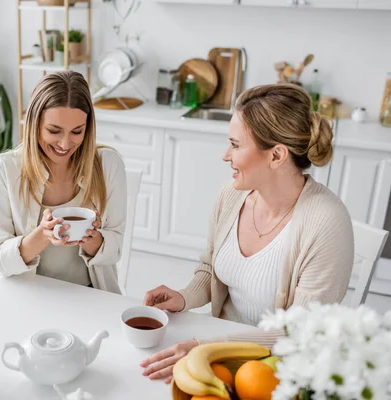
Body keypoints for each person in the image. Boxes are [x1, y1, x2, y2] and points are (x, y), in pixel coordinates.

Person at [140, 83, 354, 383]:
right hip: (220, 344)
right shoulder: (231, 195)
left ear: (277, 155)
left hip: (281, 367)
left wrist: (208, 349)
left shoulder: (327, 222)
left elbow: (300, 332)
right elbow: (211, 267)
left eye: (236, 145)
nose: (225, 155)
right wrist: (185, 297)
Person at [0, 70, 126, 293]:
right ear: (34, 123)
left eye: (77, 131)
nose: (65, 143)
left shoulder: (108, 164)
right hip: (31, 294)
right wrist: (43, 234)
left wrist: (91, 238)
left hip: (91, 294)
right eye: (54, 130)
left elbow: (116, 248)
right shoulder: (4, 169)